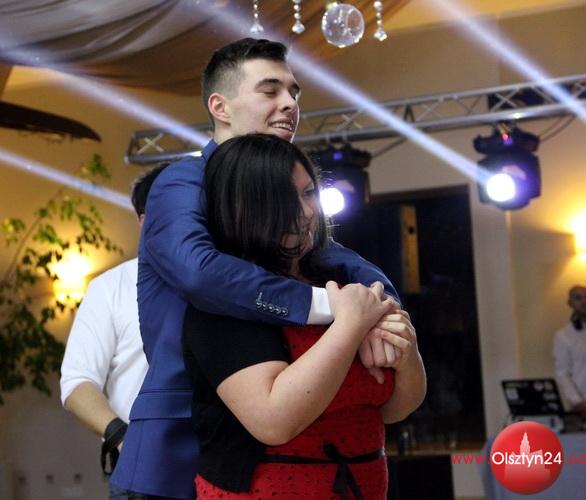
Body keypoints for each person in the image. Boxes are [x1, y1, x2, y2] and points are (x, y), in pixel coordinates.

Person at [112, 38, 400, 499]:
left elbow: (340, 260)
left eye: (294, 92)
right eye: (270, 90)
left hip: (273, 450)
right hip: (182, 443)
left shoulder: (282, 185)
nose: (289, 103)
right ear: (220, 107)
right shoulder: (182, 180)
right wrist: (336, 309)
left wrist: (381, 313)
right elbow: (198, 271)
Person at [183, 133, 426, 499]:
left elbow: (394, 409)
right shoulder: (224, 302)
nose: (309, 211)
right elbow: (274, 421)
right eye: (287, 198)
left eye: (309, 192)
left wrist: (407, 354)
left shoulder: (346, 282)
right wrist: (350, 326)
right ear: (245, 207)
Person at [59, 164, 167, 483]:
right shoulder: (110, 288)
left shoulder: (217, 280)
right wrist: (123, 437)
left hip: (214, 465)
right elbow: (77, 382)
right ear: (145, 221)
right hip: (141, 467)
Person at [553, 285, 586, 419]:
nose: (584, 301)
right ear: (570, 303)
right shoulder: (563, 336)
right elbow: (562, 373)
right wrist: (577, 401)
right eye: (578, 298)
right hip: (581, 409)